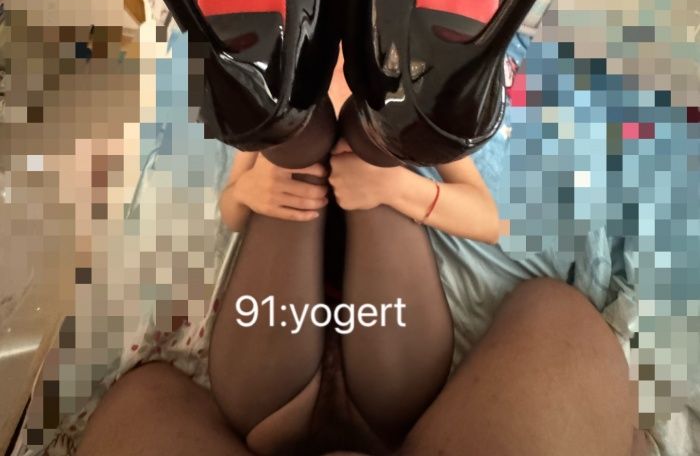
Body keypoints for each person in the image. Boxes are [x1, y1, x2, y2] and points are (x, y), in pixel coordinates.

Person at [76, 50, 647, 456]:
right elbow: (230, 207)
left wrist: (396, 189)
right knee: (295, 135)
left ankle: (365, 143)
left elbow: (491, 219)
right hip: (294, 385)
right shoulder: (277, 80)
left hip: (375, 375)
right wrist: (250, 191)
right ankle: (335, 136)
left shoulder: (408, 86)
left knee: (373, 137)